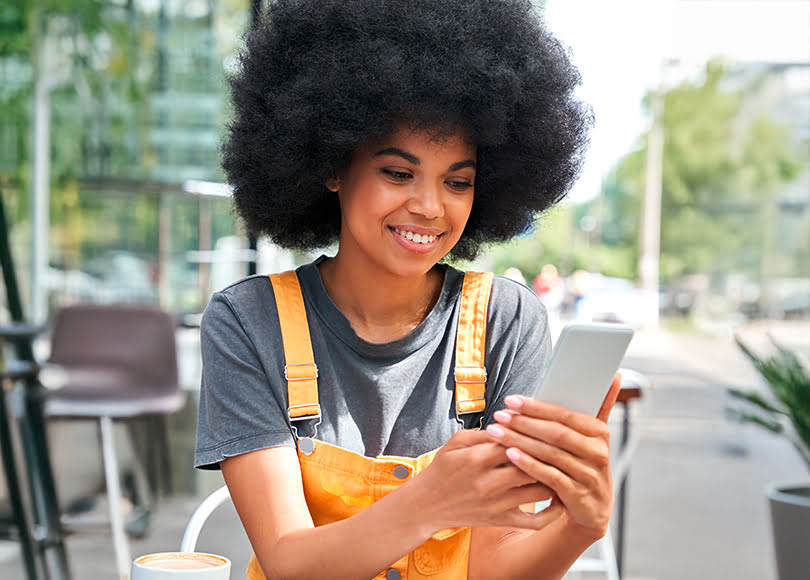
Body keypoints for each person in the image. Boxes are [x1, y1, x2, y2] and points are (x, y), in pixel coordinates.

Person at [195, 1, 619, 578]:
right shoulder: (248, 322)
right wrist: (434, 501)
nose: (428, 206)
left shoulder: (506, 321)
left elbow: (491, 572)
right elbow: (290, 566)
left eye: (458, 181)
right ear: (333, 166)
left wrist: (580, 526)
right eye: (398, 172)